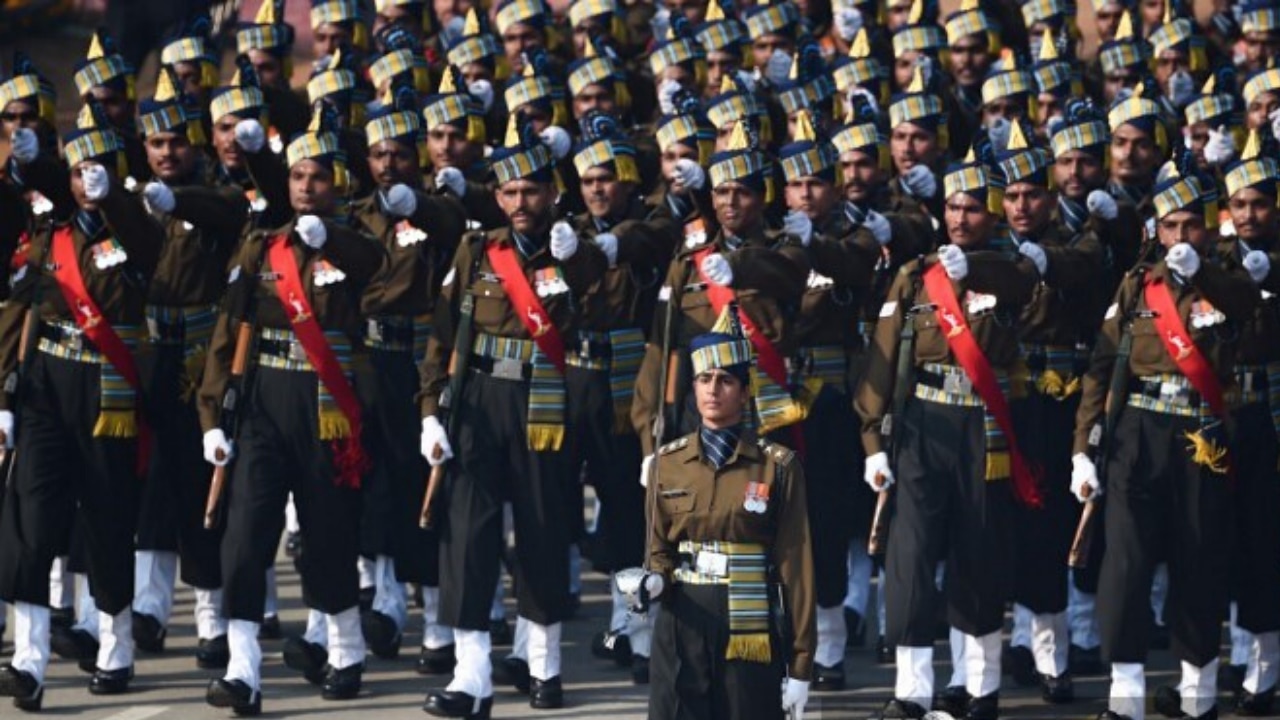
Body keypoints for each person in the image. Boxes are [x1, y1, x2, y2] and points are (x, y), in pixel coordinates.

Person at [418, 113, 607, 717]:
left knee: (543, 529)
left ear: (553, 192)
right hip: (477, 401)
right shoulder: (478, 249)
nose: (520, 202)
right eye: (508, 192)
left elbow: (603, 306)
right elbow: (444, 336)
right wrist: (430, 411)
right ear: (495, 196)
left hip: (545, 401)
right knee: (468, 535)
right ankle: (471, 676)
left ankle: (544, 663)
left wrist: (576, 262)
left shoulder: (574, 247)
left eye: (530, 190)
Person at [199, 109, 384, 716]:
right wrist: (212, 417)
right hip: (262, 404)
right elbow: (231, 332)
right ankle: (242, 668)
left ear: (339, 184)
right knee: (246, 535)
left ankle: (346, 647)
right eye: (298, 175)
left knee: (328, 535)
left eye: (319, 176)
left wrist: (328, 239)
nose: (306, 185)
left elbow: (376, 273)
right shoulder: (262, 245)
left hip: (327, 407)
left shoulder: (357, 242)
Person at [1071, 154, 1260, 720]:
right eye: (1169, 225)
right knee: (1125, 565)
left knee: (1198, 561)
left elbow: (1250, 315)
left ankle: (1197, 697)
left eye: (1191, 223)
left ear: (1209, 224)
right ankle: (1125, 699)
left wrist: (1201, 273)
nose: (1180, 235)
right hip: (1137, 435)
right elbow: (1102, 367)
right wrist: (1084, 447)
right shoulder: (1136, 285)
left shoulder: (1233, 279)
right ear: (1154, 227)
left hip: (1204, 436)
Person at [857, 138, 1041, 720]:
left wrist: (979, 270)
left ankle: (977, 686)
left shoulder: (1013, 271)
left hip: (984, 428)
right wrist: (871, 442)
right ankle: (912, 689)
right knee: (911, 558)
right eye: (955, 206)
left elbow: (1026, 291)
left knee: (979, 557)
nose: (962, 218)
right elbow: (883, 360)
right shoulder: (916, 277)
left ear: (993, 215)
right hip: (922, 429)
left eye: (975, 208)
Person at [0, 101, 165, 709]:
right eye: (77, 170)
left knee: (106, 519)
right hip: (46, 388)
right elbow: (21, 318)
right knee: (33, 521)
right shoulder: (51, 240)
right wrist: (6, 398)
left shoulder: (139, 228)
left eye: (97, 167)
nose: (86, 178)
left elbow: (151, 253)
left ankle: (115, 643)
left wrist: (117, 197)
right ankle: (29, 661)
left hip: (107, 395)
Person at [131, 69, 244, 670]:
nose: (167, 151)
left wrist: (177, 201)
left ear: (195, 145)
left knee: (202, 484)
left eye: (177, 140)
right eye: (156, 142)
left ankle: (210, 615)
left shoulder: (214, 198)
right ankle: (147, 608)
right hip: (149, 352)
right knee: (150, 483)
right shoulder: (133, 201)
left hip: (202, 359)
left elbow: (226, 213)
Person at [645, 331, 815, 720]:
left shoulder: (777, 466)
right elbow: (657, 548)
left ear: (744, 390)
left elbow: (797, 568)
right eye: (704, 379)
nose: (713, 390)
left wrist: (802, 663)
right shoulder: (666, 464)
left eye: (725, 380)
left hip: (748, 621)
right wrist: (653, 579)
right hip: (683, 617)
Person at [352, 85, 464, 667]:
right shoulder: (355, 216)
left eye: (398, 153)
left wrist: (414, 205)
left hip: (424, 360)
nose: (387, 164)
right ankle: (387, 601)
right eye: (378, 154)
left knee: (429, 480)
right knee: (378, 481)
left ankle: (437, 616)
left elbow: (449, 223)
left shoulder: (435, 207)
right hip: (373, 361)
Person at [1216, 130, 1280, 716]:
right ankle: (1242, 655)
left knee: (1265, 541)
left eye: (1260, 203)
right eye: (1239, 205)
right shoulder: (1213, 262)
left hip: (1273, 413)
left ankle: (1263, 667)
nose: (1250, 214)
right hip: (1227, 413)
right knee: (1230, 540)